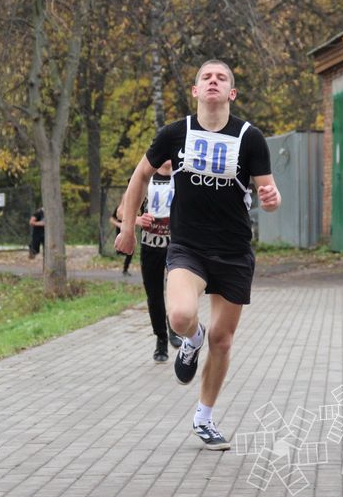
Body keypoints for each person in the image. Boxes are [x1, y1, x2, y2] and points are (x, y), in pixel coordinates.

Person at [115, 59, 281, 451]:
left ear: (231, 93)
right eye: (206, 77)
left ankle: (204, 418)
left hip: (234, 251)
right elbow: (140, 175)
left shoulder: (249, 137)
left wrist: (272, 200)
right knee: (181, 316)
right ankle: (191, 340)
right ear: (195, 91)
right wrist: (126, 228)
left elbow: (268, 194)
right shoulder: (174, 133)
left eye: (221, 78)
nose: (213, 81)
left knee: (222, 341)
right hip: (188, 246)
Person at [135, 160, 181, 362]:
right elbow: (121, 211)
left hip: (177, 245)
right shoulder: (145, 179)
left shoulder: (181, 178)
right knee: (154, 295)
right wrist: (138, 219)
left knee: (177, 290)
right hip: (151, 245)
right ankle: (161, 339)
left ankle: (174, 328)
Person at [109, 205, 133, 276]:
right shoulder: (120, 207)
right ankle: (116, 258)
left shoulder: (134, 207)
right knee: (120, 250)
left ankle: (125, 270)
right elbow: (111, 219)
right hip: (120, 233)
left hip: (129, 233)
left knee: (130, 252)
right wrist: (119, 224)